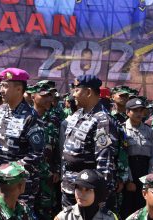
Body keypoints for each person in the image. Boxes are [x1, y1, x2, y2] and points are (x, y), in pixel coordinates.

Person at [0, 68, 46, 210]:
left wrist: (7, 169)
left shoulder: (31, 117)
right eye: (1, 85)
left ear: (19, 89)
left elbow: (37, 154)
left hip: (18, 185)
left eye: (6, 86)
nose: (1, 90)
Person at [61, 74, 120, 207]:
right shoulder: (77, 115)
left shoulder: (102, 120)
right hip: (70, 189)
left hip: (88, 192)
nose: (73, 95)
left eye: (76, 90)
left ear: (88, 92)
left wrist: (100, 196)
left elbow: (105, 162)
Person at [121, 98, 153, 218]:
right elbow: (123, 157)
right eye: (135, 110)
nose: (139, 113)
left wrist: (150, 177)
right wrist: (129, 180)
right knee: (127, 207)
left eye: (141, 110)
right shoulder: (122, 129)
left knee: (143, 206)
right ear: (127, 112)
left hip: (145, 172)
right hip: (130, 172)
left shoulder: (149, 131)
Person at [31, 83, 61, 219]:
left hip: (48, 174)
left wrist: (57, 169)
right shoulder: (25, 117)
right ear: (33, 96)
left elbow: (59, 148)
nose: (48, 99)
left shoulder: (55, 120)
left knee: (46, 211)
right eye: (44, 96)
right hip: (27, 174)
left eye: (50, 96)